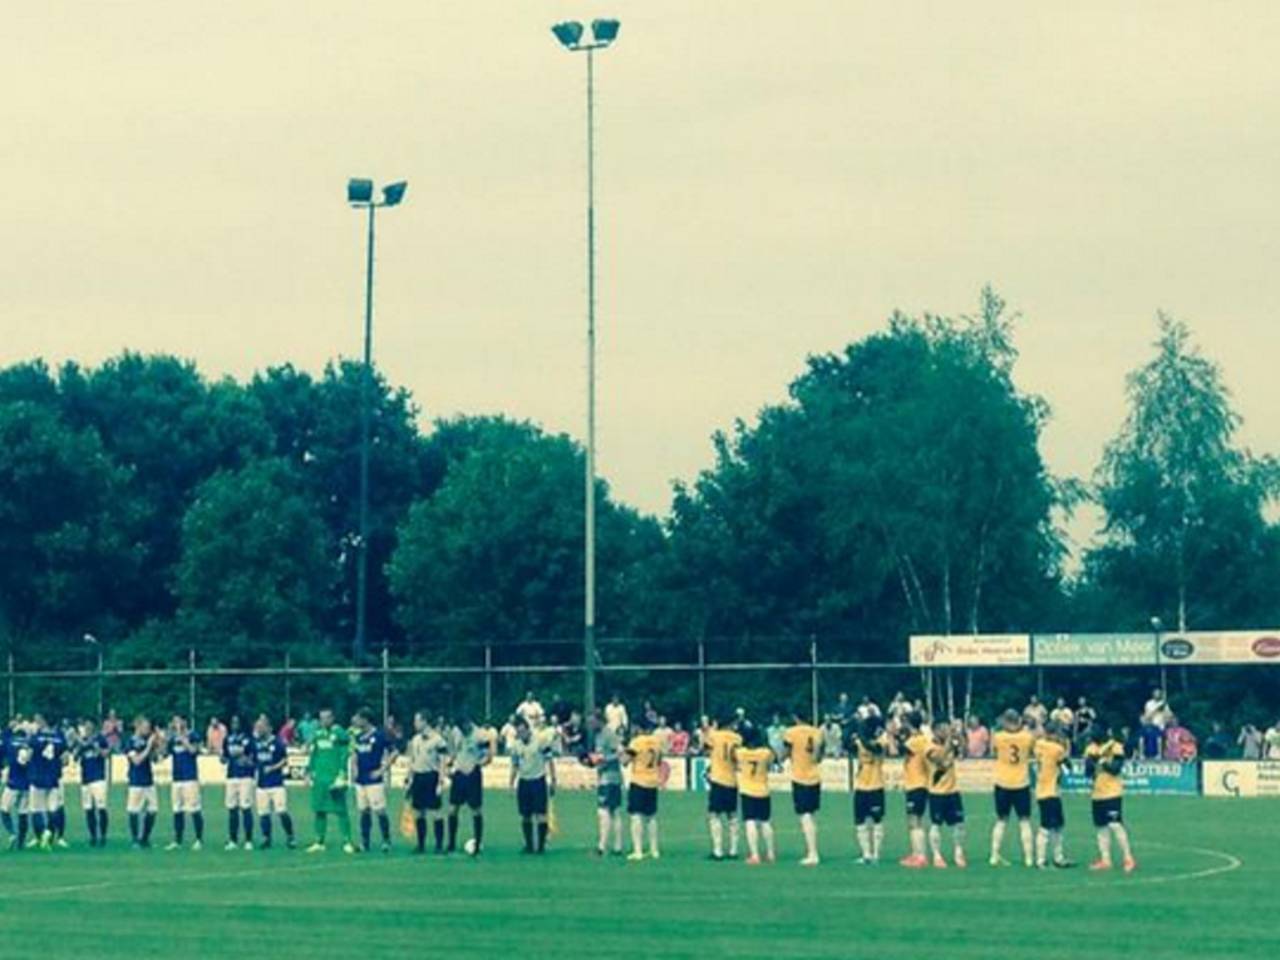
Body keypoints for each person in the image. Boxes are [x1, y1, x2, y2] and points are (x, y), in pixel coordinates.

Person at [1085, 727, 1137, 872]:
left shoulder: (1115, 747)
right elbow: (1088, 773)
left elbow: (1115, 769)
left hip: (1112, 793)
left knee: (1115, 825)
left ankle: (1128, 858)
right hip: (1097, 793)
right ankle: (1105, 859)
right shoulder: (1091, 748)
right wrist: (1090, 763)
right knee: (1101, 827)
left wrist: (1102, 761)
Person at [305, 708, 355, 854]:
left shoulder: (339, 732)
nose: (324, 721)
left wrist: (342, 773)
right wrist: (309, 770)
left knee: (340, 810)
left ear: (332, 718)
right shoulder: (318, 734)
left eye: (327, 718)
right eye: (321, 718)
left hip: (334, 777)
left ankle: (347, 841)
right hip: (320, 777)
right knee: (319, 809)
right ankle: (319, 841)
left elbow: (347, 750)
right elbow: (314, 754)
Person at [990, 709, 1036, 868]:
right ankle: (1029, 858)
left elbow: (993, 750)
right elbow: (1033, 747)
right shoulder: (1027, 736)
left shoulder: (998, 736)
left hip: (1002, 782)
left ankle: (994, 855)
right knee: (1024, 821)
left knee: (1001, 820)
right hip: (1021, 782)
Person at [782, 710, 823, 866]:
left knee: (804, 816)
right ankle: (812, 850)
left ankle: (812, 853)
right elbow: (819, 757)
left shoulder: (791, 732)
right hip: (815, 776)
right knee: (811, 815)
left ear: (795, 717)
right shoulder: (817, 732)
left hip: (800, 777)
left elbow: (785, 752)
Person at [925, 721, 967, 869]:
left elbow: (963, 752)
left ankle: (958, 851)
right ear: (935, 730)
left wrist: (960, 736)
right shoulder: (929, 746)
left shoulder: (951, 744)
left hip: (952, 790)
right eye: (943, 728)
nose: (946, 731)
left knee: (959, 824)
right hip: (937, 792)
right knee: (936, 824)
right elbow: (939, 758)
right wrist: (949, 743)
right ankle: (936, 855)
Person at [352, 708, 394, 853]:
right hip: (360, 779)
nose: (355, 721)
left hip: (374, 779)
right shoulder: (358, 737)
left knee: (379, 810)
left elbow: (394, 752)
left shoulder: (379, 735)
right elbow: (356, 754)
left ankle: (386, 840)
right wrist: (354, 768)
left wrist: (382, 770)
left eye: (358, 718)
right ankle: (365, 842)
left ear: (365, 719)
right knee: (364, 811)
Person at [446, 717, 490, 856]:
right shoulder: (455, 732)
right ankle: (451, 843)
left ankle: (478, 842)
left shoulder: (480, 735)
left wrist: (477, 765)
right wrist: (450, 765)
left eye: (464, 727)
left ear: (468, 723)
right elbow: (454, 751)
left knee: (476, 809)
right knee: (453, 809)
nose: (462, 730)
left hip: (473, 774)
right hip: (459, 774)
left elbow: (488, 756)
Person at [509, 718, 555, 854]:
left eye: (523, 731)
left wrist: (553, 779)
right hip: (524, 781)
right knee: (525, 815)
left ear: (528, 729)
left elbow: (549, 760)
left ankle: (540, 846)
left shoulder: (540, 741)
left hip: (538, 780)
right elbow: (514, 765)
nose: (521, 734)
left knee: (541, 814)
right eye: (518, 732)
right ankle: (529, 845)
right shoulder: (516, 746)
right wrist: (511, 783)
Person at [406, 711, 448, 855]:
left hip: (431, 776)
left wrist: (441, 781)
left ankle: (439, 845)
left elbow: (442, 761)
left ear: (425, 721)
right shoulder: (415, 739)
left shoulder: (438, 740)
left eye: (417, 720)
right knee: (419, 812)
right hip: (418, 776)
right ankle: (421, 844)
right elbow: (412, 760)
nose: (415, 724)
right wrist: (409, 778)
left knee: (436, 812)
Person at [1032, 723, 1072, 869]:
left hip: (1041, 789)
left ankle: (1055, 858)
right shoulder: (1057, 749)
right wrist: (1065, 748)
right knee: (1050, 826)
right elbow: (1067, 765)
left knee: (1055, 824)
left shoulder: (1038, 745)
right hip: (1051, 791)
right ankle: (1044, 859)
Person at [703, 714, 742, 860]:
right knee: (732, 816)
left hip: (718, 779)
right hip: (732, 779)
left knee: (714, 815)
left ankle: (717, 850)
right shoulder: (737, 738)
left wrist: (707, 729)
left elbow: (706, 749)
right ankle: (733, 850)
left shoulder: (715, 736)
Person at [253, 714, 295, 849]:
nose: (259, 729)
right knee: (263, 813)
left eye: (261, 727)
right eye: (258, 726)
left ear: (269, 728)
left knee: (281, 811)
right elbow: (253, 759)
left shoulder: (277, 742)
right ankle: (266, 838)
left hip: (276, 783)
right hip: (262, 783)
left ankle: (290, 836)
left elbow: (285, 759)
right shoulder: (257, 743)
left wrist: (273, 767)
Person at [851, 716, 889, 865]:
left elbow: (874, 748)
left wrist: (861, 736)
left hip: (876, 785)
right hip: (861, 785)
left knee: (877, 820)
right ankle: (866, 854)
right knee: (859, 821)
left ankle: (876, 854)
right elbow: (848, 745)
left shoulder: (881, 742)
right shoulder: (859, 742)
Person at [735, 727, 775, 865]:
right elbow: (771, 763)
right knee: (765, 822)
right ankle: (770, 853)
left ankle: (755, 854)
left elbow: (734, 760)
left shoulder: (741, 753)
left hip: (747, 790)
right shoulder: (765, 753)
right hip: (763, 789)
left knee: (750, 821)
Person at [29, 713, 69, 850]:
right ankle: (50, 834)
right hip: (53, 778)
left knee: (36, 809)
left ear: (42, 721)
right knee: (53, 809)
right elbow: (65, 760)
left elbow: (28, 755)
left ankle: (41, 836)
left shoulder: (35, 737)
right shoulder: (60, 737)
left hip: (38, 778)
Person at [624, 719, 662, 861]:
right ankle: (654, 849)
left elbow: (625, 761)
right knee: (651, 817)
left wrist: (621, 753)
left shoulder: (636, 742)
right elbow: (659, 761)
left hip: (639, 781)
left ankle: (637, 850)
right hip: (653, 781)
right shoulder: (657, 742)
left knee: (636, 816)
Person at [164, 715, 204, 851]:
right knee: (177, 809)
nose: (176, 724)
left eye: (178, 721)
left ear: (184, 722)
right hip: (177, 777)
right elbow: (165, 753)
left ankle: (199, 839)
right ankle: (177, 840)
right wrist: (166, 739)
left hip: (190, 777)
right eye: (174, 722)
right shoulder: (173, 738)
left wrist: (184, 739)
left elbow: (194, 751)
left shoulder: (193, 735)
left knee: (194, 808)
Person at [897, 712, 930, 868]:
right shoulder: (922, 739)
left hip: (917, 784)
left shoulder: (916, 741)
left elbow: (900, 749)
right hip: (916, 783)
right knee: (913, 820)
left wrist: (894, 735)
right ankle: (916, 853)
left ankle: (921, 855)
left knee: (915, 820)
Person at [125, 715, 161, 849]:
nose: (148, 729)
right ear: (138, 726)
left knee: (153, 810)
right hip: (136, 781)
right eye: (145, 727)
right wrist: (149, 746)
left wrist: (155, 746)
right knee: (134, 810)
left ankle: (145, 838)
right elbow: (137, 761)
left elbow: (155, 759)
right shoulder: (130, 742)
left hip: (148, 780)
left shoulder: (147, 741)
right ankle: (135, 839)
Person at [592, 716, 625, 856]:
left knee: (605, 811)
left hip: (610, 778)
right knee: (614, 811)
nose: (591, 724)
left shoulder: (609, 734)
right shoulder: (598, 735)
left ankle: (602, 846)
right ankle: (617, 847)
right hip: (606, 777)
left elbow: (620, 752)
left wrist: (604, 760)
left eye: (593, 721)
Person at [222, 715, 256, 850]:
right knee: (232, 808)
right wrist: (223, 759)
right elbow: (224, 756)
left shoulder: (248, 739)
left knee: (245, 807)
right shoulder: (228, 739)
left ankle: (248, 840)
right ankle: (233, 839)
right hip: (231, 775)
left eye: (237, 722)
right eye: (232, 722)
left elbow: (253, 757)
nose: (234, 724)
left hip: (245, 776)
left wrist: (245, 759)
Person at [76, 718, 111, 846]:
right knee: (88, 809)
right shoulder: (83, 741)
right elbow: (76, 757)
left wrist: (98, 749)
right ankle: (93, 836)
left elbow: (106, 753)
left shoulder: (100, 739)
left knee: (101, 808)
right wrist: (78, 746)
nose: (88, 729)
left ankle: (103, 836)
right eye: (86, 726)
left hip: (98, 778)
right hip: (85, 778)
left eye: (90, 726)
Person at [1, 720, 33, 850]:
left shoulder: (10, 742)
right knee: (23, 812)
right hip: (26, 783)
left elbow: (2, 743)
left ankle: (12, 833)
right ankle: (21, 841)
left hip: (13, 783)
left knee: (4, 809)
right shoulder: (29, 745)